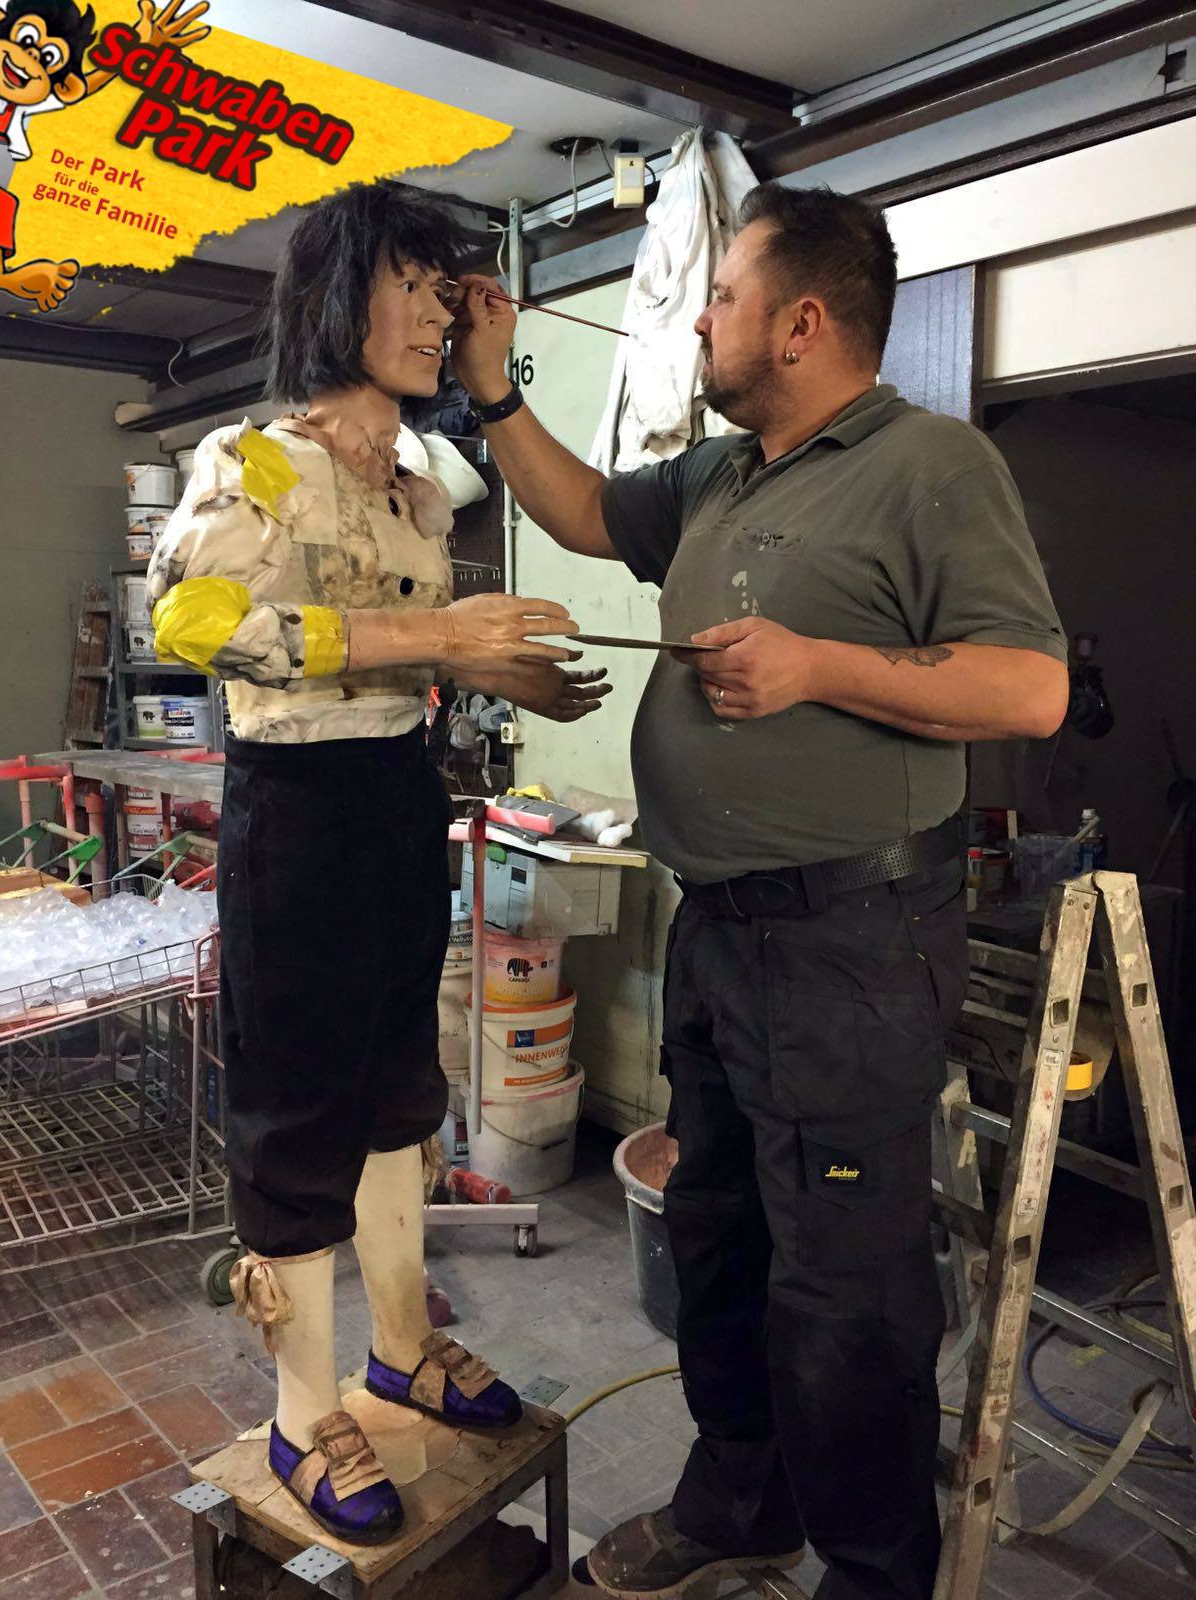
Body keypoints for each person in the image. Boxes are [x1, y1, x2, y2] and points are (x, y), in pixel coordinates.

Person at [448, 184, 1068, 1600]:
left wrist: (816, 665)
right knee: (718, 1234)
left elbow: (1029, 689)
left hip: (853, 941)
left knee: (846, 1285)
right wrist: (492, 388)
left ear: (801, 323)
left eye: (721, 298)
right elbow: (583, 510)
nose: (699, 323)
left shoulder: (931, 464)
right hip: (722, 926)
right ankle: (741, 1501)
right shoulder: (720, 476)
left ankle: (874, 1572)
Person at [146, 179, 608, 1546]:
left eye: (440, 289)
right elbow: (192, 619)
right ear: (334, 299)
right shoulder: (257, 458)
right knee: (296, 1110)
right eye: (406, 284)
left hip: (402, 801)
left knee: (402, 1087)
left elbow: (413, 657)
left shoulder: (426, 488)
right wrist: (442, 639)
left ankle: (402, 1349)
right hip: (292, 812)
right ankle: (303, 1413)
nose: (431, 313)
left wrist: (507, 672)